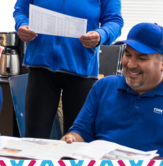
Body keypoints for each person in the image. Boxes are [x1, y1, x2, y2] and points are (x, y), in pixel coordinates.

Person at [60, 23, 163, 159]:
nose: (131, 64)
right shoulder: (103, 86)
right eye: (127, 54)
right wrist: (72, 139)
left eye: (142, 58)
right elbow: (81, 132)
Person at [13, 0, 124, 138]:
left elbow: (115, 21)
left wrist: (101, 34)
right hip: (41, 67)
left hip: (82, 70)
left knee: (77, 140)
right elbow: (21, 10)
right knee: (34, 139)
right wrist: (22, 25)